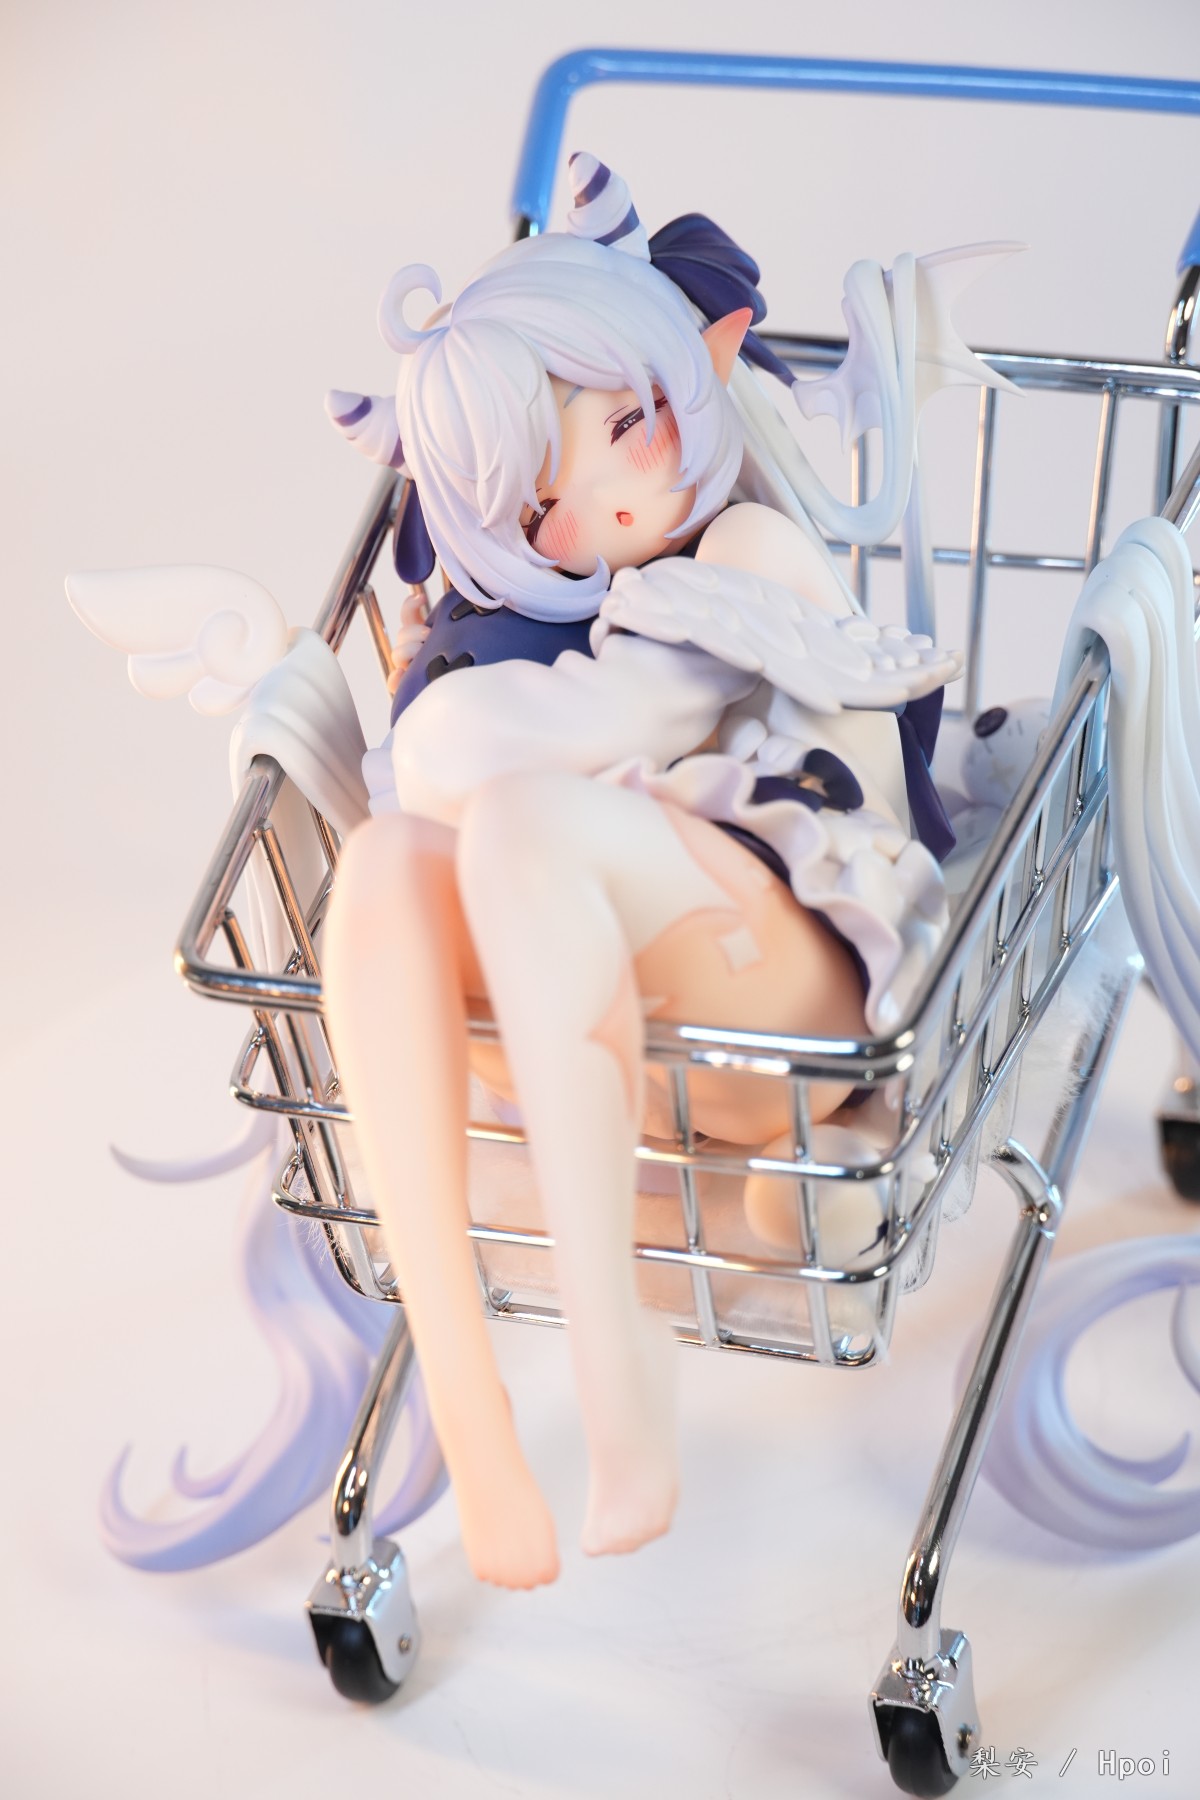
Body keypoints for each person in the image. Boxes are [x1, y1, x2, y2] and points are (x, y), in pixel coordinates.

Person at [321, 153, 983, 1589]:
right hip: (643, 983)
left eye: (646, 401)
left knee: (519, 822)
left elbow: (571, 732)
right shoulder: (577, 621)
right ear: (542, 531)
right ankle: (468, 1403)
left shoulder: (737, 550)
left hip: (806, 984)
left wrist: (452, 718)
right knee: (380, 871)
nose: (668, 438)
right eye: (609, 443)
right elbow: (454, 773)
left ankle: (617, 1353)